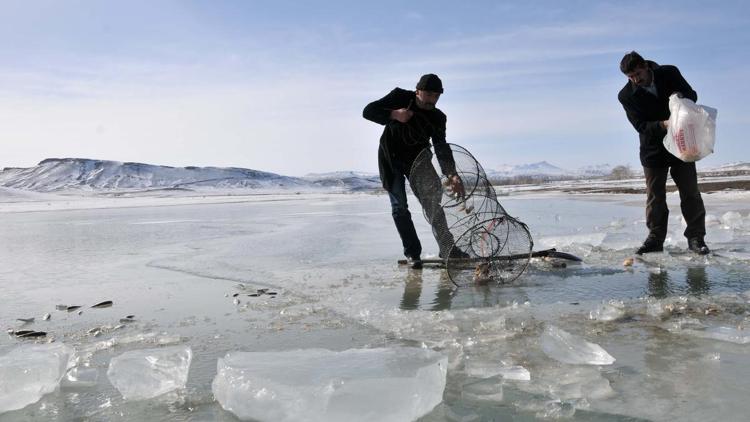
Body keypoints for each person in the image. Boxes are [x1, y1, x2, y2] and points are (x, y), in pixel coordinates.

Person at [363, 74, 468, 269]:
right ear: (417, 91)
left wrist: (451, 174)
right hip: (391, 159)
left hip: (419, 161)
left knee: (433, 204)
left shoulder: (438, 117)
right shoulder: (399, 97)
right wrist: (394, 114)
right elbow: (368, 111)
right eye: (428, 94)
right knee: (399, 207)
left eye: (436, 96)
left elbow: (441, 147)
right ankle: (413, 254)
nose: (432, 100)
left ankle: (448, 249)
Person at [618, 51, 709, 255]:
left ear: (645, 66)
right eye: (630, 77)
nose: (635, 79)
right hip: (653, 149)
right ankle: (655, 240)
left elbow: (692, 96)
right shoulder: (625, 95)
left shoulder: (669, 73)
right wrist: (665, 124)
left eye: (637, 74)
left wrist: (680, 98)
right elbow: (640, 125)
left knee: (690, 192)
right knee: (655, 197)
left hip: (682, 143)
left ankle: (696, 238)